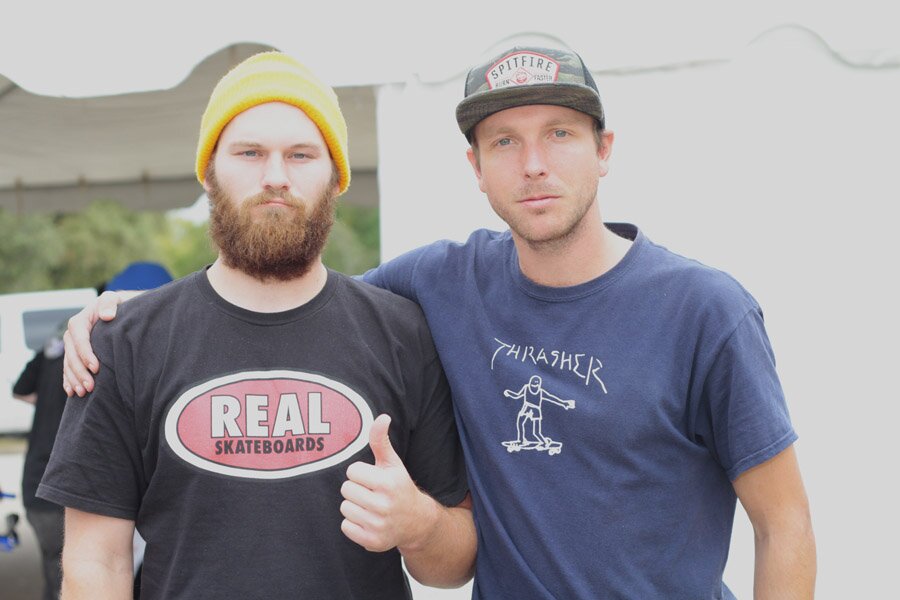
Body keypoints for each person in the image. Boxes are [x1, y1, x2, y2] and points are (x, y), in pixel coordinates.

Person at [61, 45, 816, 598]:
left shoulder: (705, 310)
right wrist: (126, 315)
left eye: (559, 132)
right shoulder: (442, 285)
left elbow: (783, 525)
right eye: (504, 142)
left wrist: (418, 522)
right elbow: (290, 297)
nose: (533, 164)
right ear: (475, 166)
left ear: (603, 150)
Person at [41, 51, 474, 599]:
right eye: (249, 153)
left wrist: (420, 524)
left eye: (300, 155)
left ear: (336, 177)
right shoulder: (123, 342)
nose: (275, 177)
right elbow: (96, 562)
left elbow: (453, 564)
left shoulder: (403, 333)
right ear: (209, 171)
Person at [13, 321, 68, 599]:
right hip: (66, 483)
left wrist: (45, 400)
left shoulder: (47, 354)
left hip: (35, 485)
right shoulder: (87, 357)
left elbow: (20, 389)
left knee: (54, 566)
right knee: (70, 571)